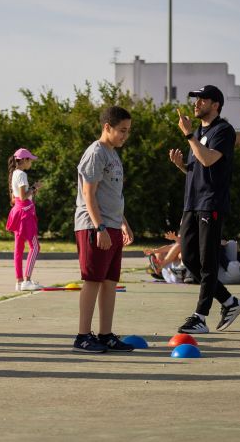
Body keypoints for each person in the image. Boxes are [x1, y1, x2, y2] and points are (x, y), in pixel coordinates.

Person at [170, 84, 240, 334]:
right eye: (195, 99)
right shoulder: (199, 134)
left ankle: (200, 316)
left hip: (210, 204)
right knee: (189, 257)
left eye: (202, 99)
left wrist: (189, 136)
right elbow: (199, 169)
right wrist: (183, 166)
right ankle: (229, 301)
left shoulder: (223, 131)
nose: (196, 103)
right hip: (191, 203)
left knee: (208, 261)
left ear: (216, 105)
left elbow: (209, 159)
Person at [72, 106, 136, 353]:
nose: (124, 136)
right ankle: (82, 335)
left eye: (128, 131)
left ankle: (106, 334)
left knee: (110, 281)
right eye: (121, 130)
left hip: (111, 225)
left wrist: (123, 223)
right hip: (93, 226)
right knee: (93, 280)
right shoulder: (96, 153)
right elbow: (89, 194)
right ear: (107, 127)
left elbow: (113, 194)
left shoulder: (113, 154)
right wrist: (99, 227)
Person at [6, 147, 44, 292]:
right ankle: (27, 280)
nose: (31, 163)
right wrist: (34, 187)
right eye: (30, 160)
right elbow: (23, 196)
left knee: (19, 249)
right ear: (24, 160)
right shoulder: (21, 174)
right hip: (25, 215)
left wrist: (32, 191)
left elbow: (17, 198)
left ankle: (19, 281)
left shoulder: (14, 174)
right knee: (35, 247)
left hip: (18, 213)